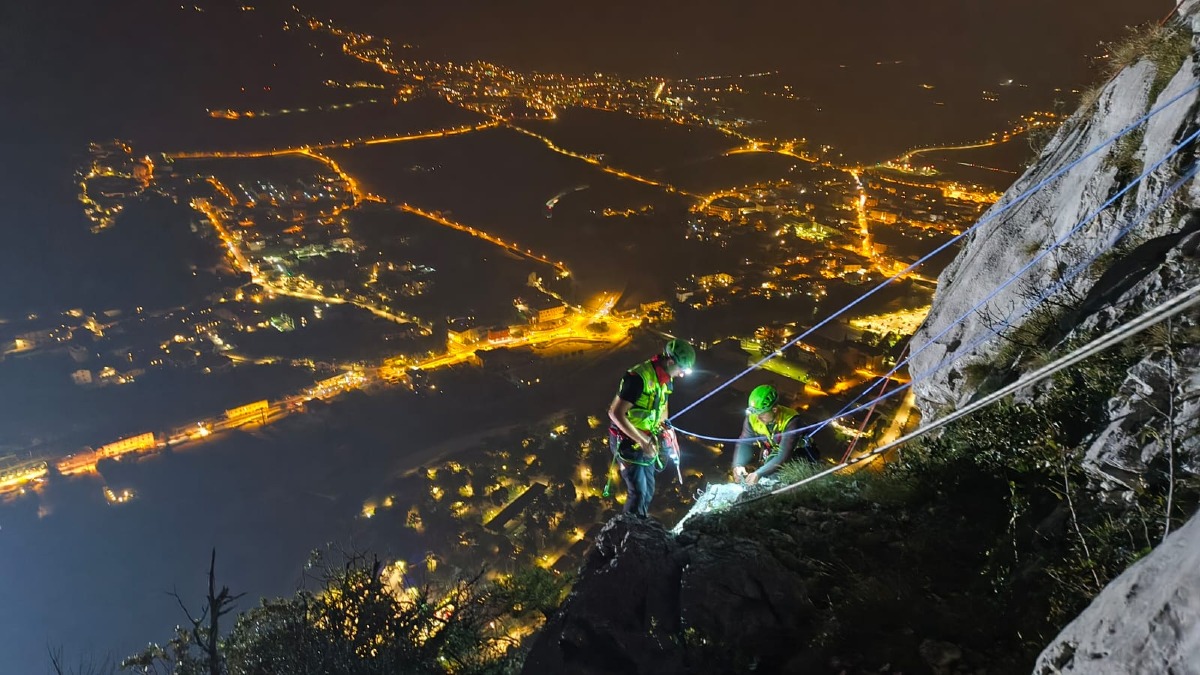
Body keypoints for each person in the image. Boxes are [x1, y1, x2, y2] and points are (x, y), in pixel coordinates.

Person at [607, 338, 696, 517]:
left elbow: (663, 404)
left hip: (647, 439)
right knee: (638, 492)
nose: (681, 375)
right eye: (681, 369)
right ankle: (631, 531)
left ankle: (640, 524)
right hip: (628, 441)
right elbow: (615, 413)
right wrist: (643, 441)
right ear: (670, 361)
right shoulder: (638, 378)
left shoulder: (666, 378)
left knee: (648, 489)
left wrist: (665, 429)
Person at [732, 384, 817, 485]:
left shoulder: (791, 421)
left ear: (774, 410)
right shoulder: (753, 417)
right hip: (772, 453)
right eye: (756, 413)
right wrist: (739, 464)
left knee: (775, 479)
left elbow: (783, 454)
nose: (758, 418)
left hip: (798, 455)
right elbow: (745, 443)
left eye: (762, 414)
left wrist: (759, 473)